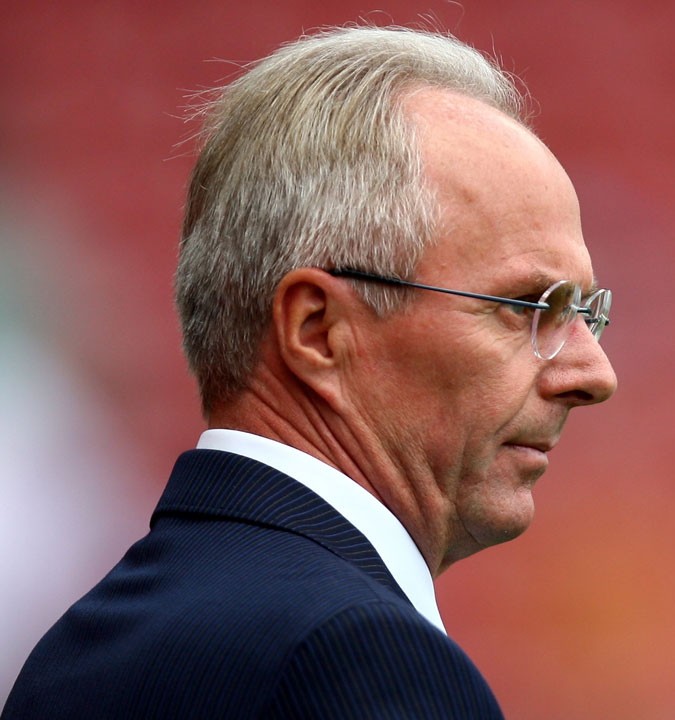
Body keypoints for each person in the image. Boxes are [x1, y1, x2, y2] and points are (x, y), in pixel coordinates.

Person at [2, 25, 616, 719]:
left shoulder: (71, 658)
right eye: (529, 306)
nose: (594, 373)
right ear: (318, 330)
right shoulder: (364, 660)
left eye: (586, 313)